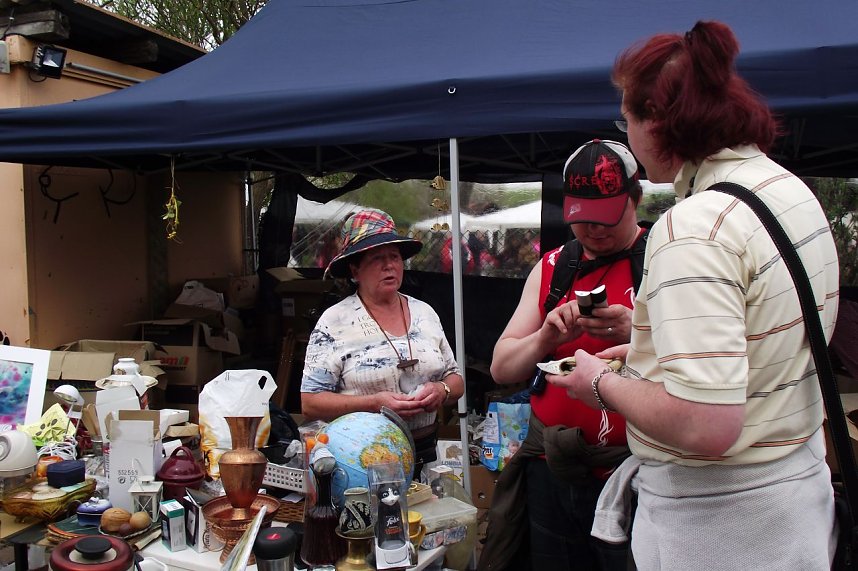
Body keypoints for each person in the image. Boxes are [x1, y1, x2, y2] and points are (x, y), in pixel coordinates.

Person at [548, 21, 840, 570]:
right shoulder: (788, 190)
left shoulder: (694, 227)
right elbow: (764, 339)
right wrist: (649, 348)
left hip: (724, 525)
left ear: (657, 121)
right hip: (795, 498)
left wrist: (602, 383)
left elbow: (707, 424)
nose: (627, 134)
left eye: (626, 119)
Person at [479, 139, 650, 571]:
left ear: (637, 199)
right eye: (583, 218)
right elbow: (502, 368)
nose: (594, 230)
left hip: (633, 472)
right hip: (551, 467)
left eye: (607, 218)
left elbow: (702, 360)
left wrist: (641, 332)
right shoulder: (555, 266)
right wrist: (545, 338)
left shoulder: (663, 261)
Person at [300, 208, 465, 476]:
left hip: (427, 454)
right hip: (361, 461)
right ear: (355, 269)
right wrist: (373, 403)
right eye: (377, 258)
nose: (389, 265)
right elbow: (310, 403)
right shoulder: (335, 321)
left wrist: (441, 389)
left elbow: (455, 380)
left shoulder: (425, 313)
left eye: (395, 257)